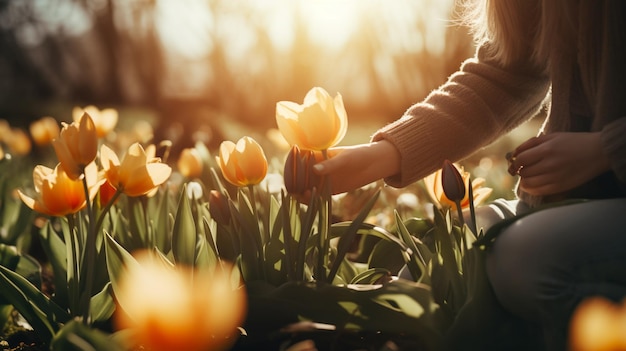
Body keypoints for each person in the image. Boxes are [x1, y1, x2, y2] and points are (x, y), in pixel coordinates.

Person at [312, 1, 626, 350]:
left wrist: (606, 150)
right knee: (439, 257)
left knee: (522, 259)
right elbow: (507, 75)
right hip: (569, 202)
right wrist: (380, 157)